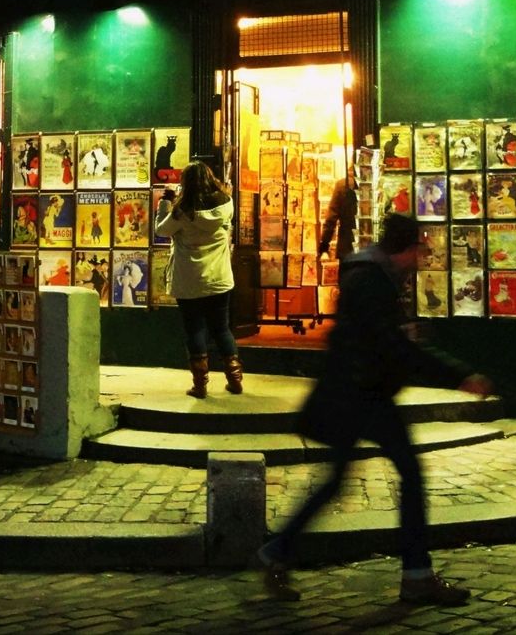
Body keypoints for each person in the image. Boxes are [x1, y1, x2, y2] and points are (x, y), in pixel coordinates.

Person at [258, 213, 492, 606]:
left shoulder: (374, 275)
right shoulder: (372, 282)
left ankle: (277, 551)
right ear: (407, 248)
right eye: (420, 247)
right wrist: (459, 375)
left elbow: (394, 342)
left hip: (359, 392)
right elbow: (394, 345)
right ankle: (416, 576)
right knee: (408, 477)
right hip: (361, 395)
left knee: (339, 481)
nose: (423, 255)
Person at [155, 159, 242, 398]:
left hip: (189, 281)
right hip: (219, 279)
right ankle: (235, 379)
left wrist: (165, 202)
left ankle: (200, 386)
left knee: (194, 330)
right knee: (222, 329)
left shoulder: (182, 212)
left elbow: (161, 231)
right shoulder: (227, 204)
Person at [318, 166, 358, 261]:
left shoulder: (342, 185)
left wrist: (324, 245)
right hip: (366, 248)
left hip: (346, 245)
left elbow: (331, 218)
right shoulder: (370, 185)